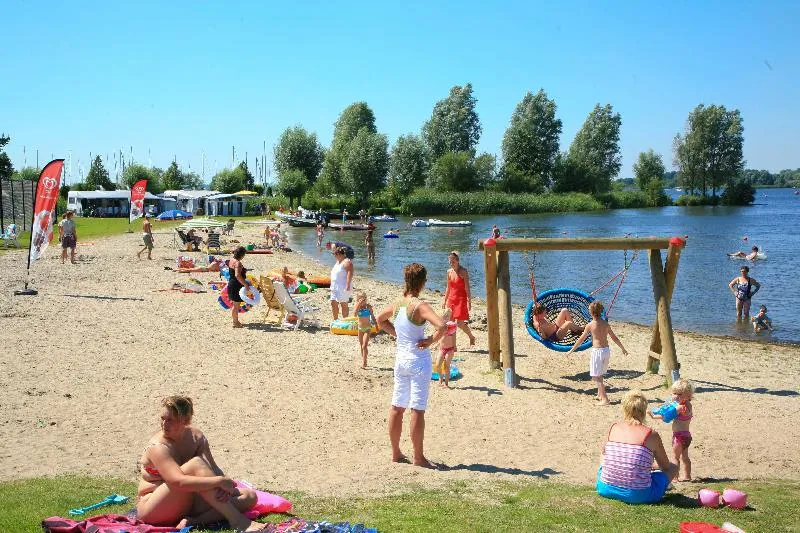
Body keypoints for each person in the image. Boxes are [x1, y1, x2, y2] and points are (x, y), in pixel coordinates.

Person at [136, 395, 266, 530]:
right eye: (162, 418)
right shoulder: (158, 447)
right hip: (154, 507)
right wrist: (219, 482)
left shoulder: (196, 438)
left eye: (170, 420)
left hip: (187, 500)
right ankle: (238, 521)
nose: (164, 424)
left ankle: (194, 521)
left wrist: (224, 489)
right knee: (196, 463)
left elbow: (213, 469)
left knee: (249, 496)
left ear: (185, 420)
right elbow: (177, 481)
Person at [376, 263, 447, 469]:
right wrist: (430, 341)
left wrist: (397, 334)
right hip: (418, 361)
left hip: (401, 359)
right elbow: (441, 325)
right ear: (422, 282)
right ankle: (418, 457)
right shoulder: (420, 305)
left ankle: (396, 452)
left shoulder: (398, 303)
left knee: (397, 407)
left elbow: (380, 320)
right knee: (417, 409)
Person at [596, 390, 679, 504]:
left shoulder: (613, 427)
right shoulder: (651, 435)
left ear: (625, 409)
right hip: (637, 495)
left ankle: (614, 479)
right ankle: (659, 486)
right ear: (644, 411)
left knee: (604, 451)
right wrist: (651, 466)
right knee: (674, 464)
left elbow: (605, 454)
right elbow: (665, 466)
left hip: (605, 488)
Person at [566, 301, 629, 406]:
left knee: (597, 376)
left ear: (591, 312)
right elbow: (614, 337)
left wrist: (571, 350)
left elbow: (581, 340)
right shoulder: (605, 324)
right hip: (606, 351)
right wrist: (623, 348)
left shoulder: (590, 325)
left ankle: (605, 399)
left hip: (598, 351)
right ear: (600, 311)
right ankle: (600, 394)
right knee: (600, 374)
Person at [650, 379, 695, 482]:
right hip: (687, 435)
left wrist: (654, 416)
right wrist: (664, 405)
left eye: (679, 394)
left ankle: (675, 477)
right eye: (674, 393)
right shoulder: (688, 405)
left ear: (688, 396)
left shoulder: (680, 407)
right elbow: (670, 408)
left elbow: (667, 417)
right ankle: (687, 476)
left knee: (675, 458)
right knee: (685, 457)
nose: (675, 396)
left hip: (679, 436)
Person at [442, 251, 476, 347]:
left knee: (460, 324)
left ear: (457, 261)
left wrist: (469, 301)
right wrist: (444, 300)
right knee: (451, 324)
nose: (451, 263)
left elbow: (467, 287)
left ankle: (471, 336)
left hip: (461, 300)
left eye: (452, 261)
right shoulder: (449, 272)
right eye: (450, 261)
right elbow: (448, 287)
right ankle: (454, 346)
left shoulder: (463, 271)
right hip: (451, 299)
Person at [434, 309, 457, 388]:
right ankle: (440, 377)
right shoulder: (440, 327)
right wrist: (436, 344)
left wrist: (455, 346)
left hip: (450, 349)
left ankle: (446, 383)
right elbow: (439, 337)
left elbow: (454, 337)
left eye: (448, 316)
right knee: (437, 365)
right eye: (445, 316)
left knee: (447, 365)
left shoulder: (452, 327)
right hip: (442, 348)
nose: (447, 318)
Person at [330, 246, 354, 320]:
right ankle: (335, 320)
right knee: (333, 303)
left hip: (343, 286)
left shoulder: (347, 262)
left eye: (334, 254)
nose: (334, 256)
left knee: (343, 304)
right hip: (334, 287)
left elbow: (350, 274)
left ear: (339, 254)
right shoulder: (338, 262)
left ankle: (345, 321)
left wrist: (347, 285)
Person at [354, 290, 377, 369]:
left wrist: (376, 325)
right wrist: (358, 305)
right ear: (357, 299)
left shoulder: (368, 307)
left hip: (367, 328)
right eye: (360, 298)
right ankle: (364, 359)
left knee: (364, 345)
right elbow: (354, 314)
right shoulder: (358, 307)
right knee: (361, 346)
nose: (362, 300)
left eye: (364, 298)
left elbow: (373, 316)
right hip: (360, 329)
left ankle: (364, 362)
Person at [227, 246, 248, 328]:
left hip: (232, 283)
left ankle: (235, 320)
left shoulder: (231, 260)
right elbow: (237, 275)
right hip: (236, 285)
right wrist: (245, 284)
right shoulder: (237, 263)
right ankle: (235, 322)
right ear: (242, 255)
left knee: (235, 305)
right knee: (236, 305)